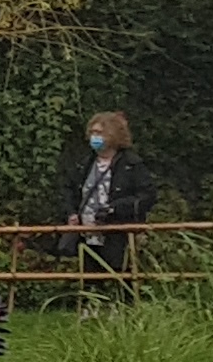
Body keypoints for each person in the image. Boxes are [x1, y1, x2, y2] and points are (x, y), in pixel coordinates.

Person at [51, 109, 159, 284]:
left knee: (120, 276)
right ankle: (89, 308)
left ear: (113, 135)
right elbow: (68, 189)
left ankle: (121, 309)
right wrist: (71, 213)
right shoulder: (84, 163)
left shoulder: (131, 164)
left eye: (99, 133)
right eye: (92, 132)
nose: (95, 137)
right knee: (89, 276)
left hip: (117, 232)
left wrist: (115, 209)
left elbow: (147, 196)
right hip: (86, 232)